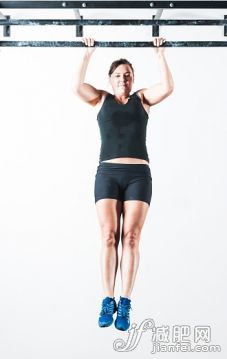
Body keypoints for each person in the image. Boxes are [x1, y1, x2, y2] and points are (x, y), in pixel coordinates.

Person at [72, 36, 174, 331]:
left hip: (138, 176)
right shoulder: (100, 98)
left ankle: (125, 302)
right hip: (107, 174)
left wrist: (159, 54)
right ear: (110, 78)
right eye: (118, 75)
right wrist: (87, 54)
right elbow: (76, 87)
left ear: (133, 79)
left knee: (130, 237)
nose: (123, 79)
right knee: (108, 235)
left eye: (128, 74)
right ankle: (107, 299)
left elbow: (167, 88)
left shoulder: (142, 99)